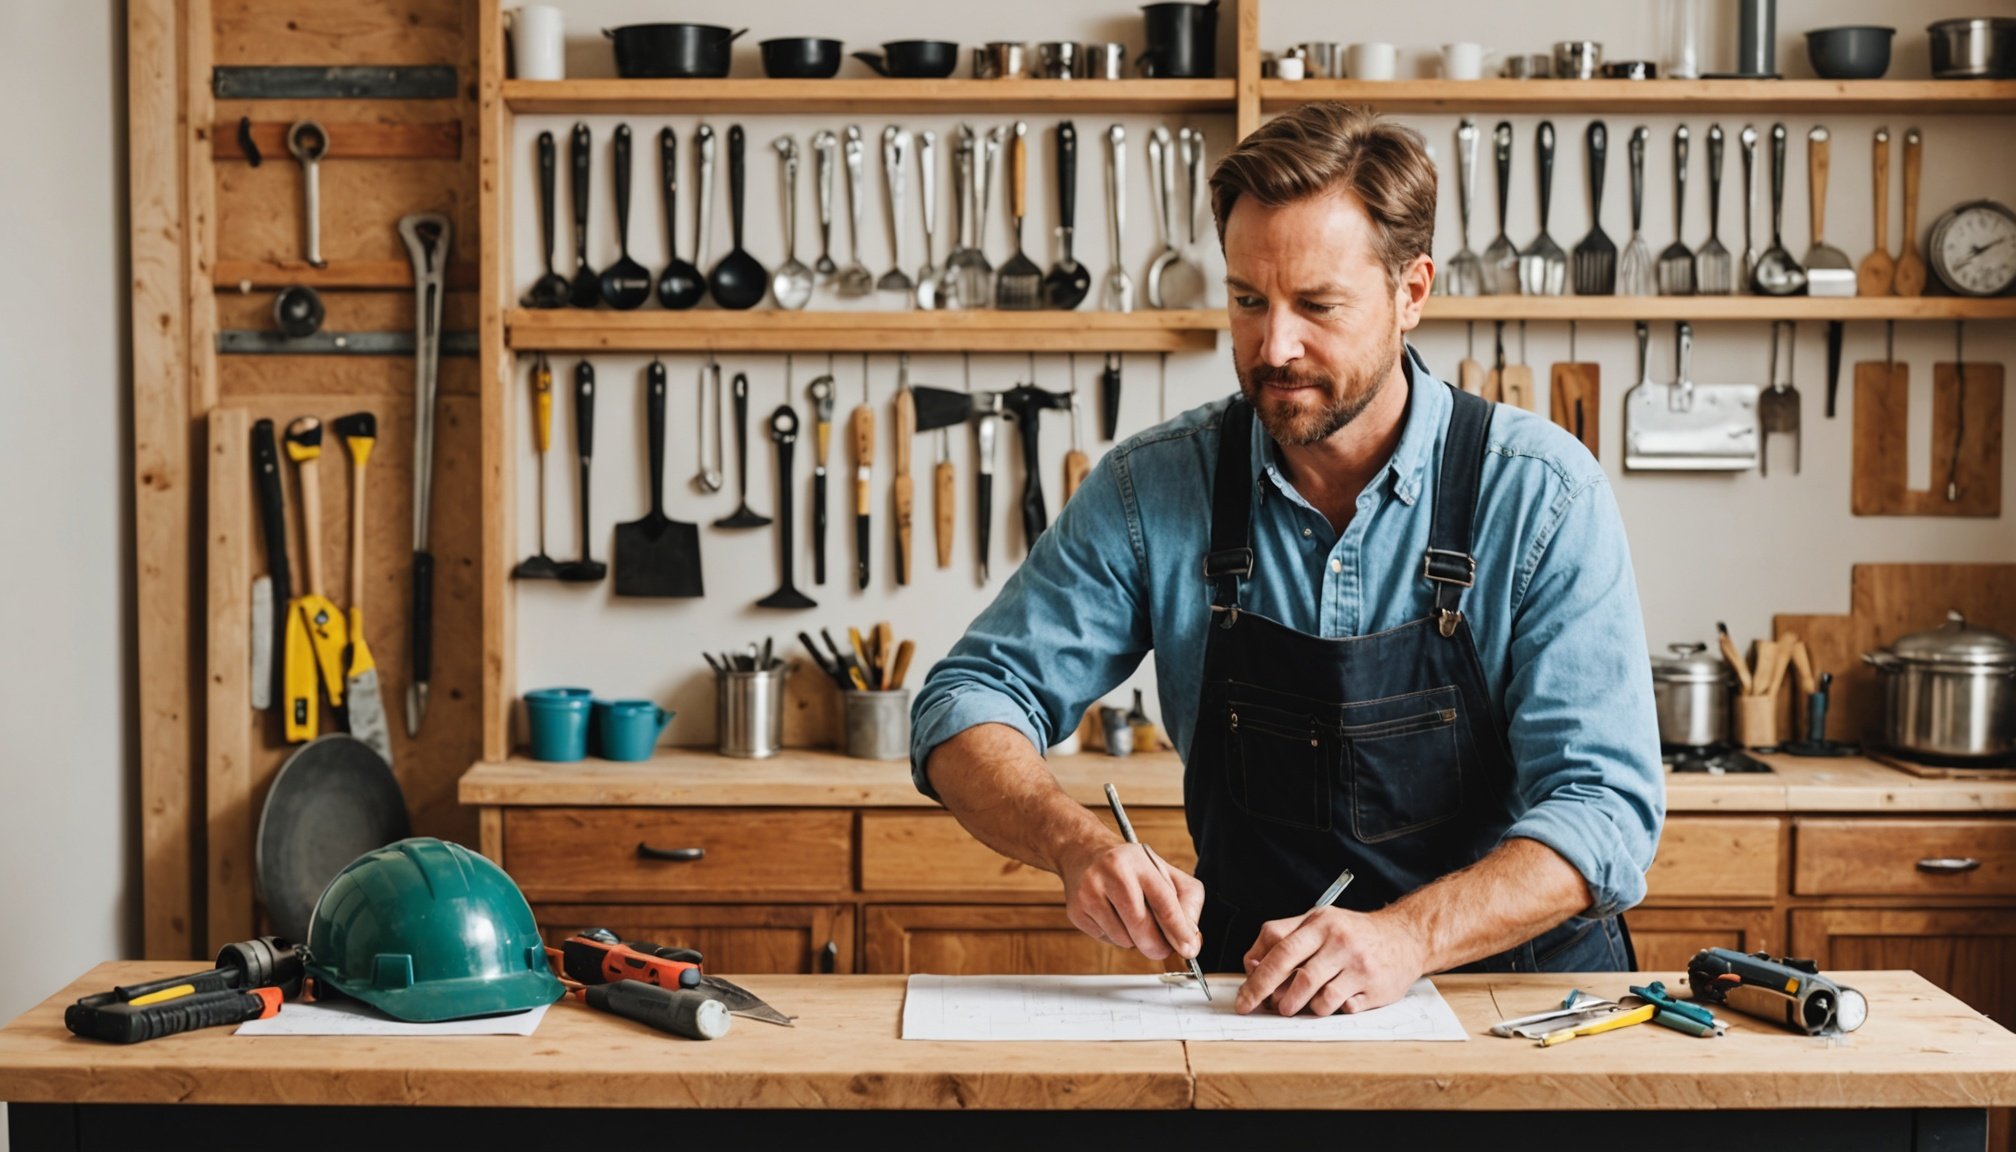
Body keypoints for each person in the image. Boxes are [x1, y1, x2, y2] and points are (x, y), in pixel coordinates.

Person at [909, 103, 1663, 1017]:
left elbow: (1604, 808)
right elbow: (965, 703)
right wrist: (1077, 845)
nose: (1274, 348)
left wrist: (1408, 937)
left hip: (1514, 1009)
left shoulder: (1542, 494)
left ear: (1412, 292)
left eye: (1317, 305)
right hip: (1261, 1008)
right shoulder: (1154, 490)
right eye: (1247, 301)